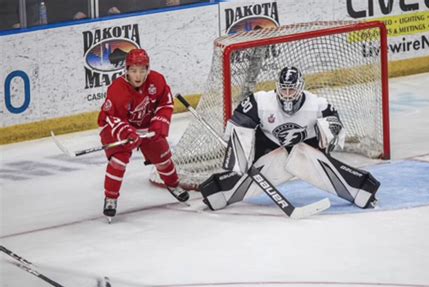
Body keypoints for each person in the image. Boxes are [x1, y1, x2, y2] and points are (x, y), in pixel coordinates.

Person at [200, 66, 380, 211]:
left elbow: (336, 131)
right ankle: (217, 193)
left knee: (299, 153)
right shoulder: (261, 102)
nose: (287, 94)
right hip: (269, 154)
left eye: (291, 90)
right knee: (277, 157)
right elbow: (238, 123)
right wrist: (240, 155)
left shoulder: (317, 105)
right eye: (283, 90)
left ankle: (361, 189)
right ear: (277, 88)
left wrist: (329, 131)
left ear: (300, 88)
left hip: (304, 155)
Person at [98, 48, 189, 222]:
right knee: (118, 161)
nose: (138, 75)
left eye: (142, 70)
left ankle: (173, 185)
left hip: (147, 126)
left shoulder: (157, 81)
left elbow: (165, 104)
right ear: (126, 70)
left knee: (163, 157)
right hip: (118, 128)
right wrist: (127, 132)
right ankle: (110, 198)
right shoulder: (117, 90)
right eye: (133, 71)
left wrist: (159, 123)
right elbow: (110, 118)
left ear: (148, 69)